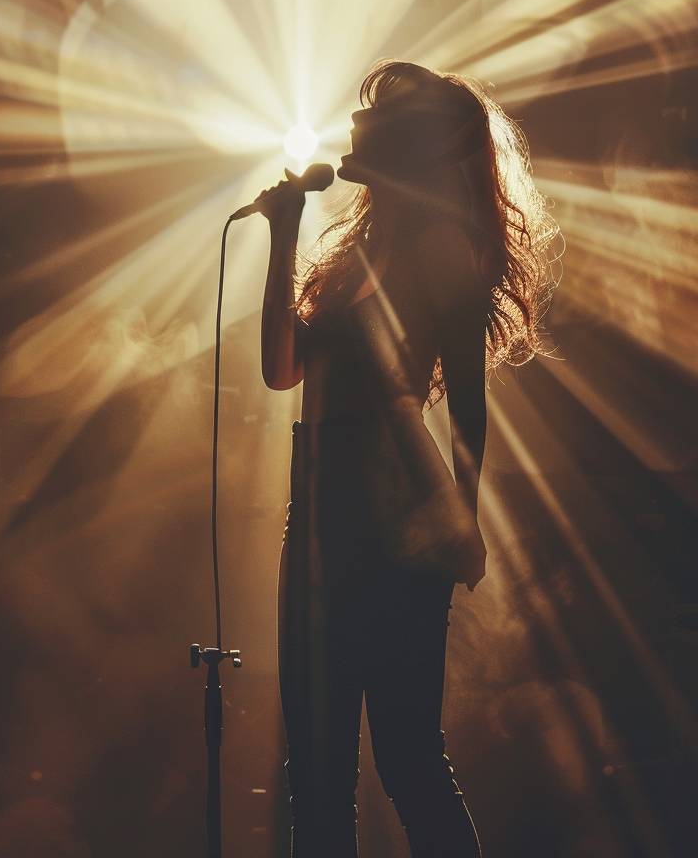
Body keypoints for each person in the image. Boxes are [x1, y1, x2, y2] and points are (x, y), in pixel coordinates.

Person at [256, 60, 556, 857]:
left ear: (412, 143)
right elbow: (280, 368)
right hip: (316, 512)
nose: (357, 127)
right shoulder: (354, 250)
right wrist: (284, 229)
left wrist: (460, 512)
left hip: (395, 521)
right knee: (316, 771)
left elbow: (466, 396)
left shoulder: (438, 243)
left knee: (408, 759)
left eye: (377, 117)